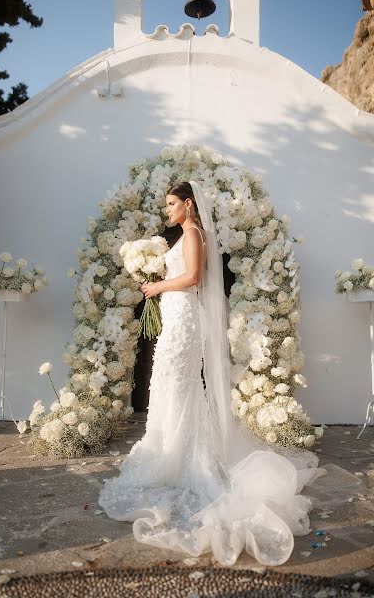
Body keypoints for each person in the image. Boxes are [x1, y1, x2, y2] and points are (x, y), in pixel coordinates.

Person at [98, 180, 363, 566]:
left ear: (189, 205)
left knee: (177, 383)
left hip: (184, 317)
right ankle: (168, 448)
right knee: (170, 385)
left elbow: (191, 278)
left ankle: (181, 457)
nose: (167, 211)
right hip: (175, 318)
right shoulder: (185, 232)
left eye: (172, 204)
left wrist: (156, 285)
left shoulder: (193, 234)